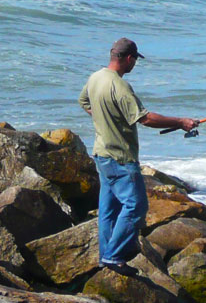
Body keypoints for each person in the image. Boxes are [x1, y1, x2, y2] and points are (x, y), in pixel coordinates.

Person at [79, 38, 198, 276]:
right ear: (129, 58)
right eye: (135, 61)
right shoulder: (120, 87)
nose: (134, 65)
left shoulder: (95, 78)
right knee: (135, 206)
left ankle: (106, 256)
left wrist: (104, 118)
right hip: (121, 158)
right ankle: (114, 256)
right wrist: (181, 122)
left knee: (109, 209)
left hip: (101, 154)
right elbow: (145, 119)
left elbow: (84, 101)